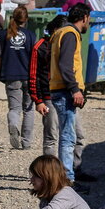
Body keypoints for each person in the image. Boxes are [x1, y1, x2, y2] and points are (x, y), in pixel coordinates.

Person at [29, 16, 89, 180]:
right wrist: (38, 100)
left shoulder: (62, 42)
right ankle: (48, 175)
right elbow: (33, 75)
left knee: (77, 136)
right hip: (50, 96)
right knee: (52, 138)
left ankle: (75, 169)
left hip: (66, 93)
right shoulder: (41, 46)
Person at [49, 3, 91, 184]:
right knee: (67, 138)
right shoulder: (70, 34)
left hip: (60, 89)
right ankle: (68, 181)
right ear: (84, 18)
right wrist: (74, 89)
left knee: (69, 136)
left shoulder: (60, 32)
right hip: (65, 91)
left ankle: (66, 178)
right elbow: (66, 65)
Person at [0, 6, 36, 149]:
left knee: (15, 108)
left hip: (11, 74)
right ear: (26, 19)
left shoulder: (3, 35)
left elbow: (0, 55)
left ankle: (13, 123)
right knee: (29, 109)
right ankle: (26, 142)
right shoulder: (31, 35)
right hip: (28, 75)